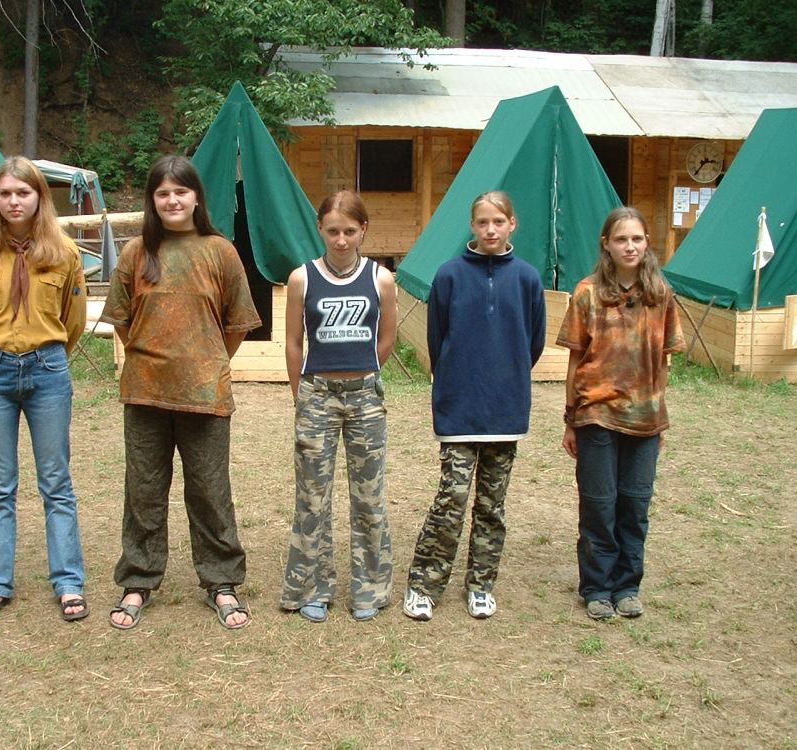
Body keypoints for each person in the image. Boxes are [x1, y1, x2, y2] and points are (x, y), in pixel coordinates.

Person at [100, 156, 261, 631]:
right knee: (144, 492)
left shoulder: (220, 251)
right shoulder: (136, 253)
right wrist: (152, 357)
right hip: (145, 393)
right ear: (152, 201)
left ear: (196, 197)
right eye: (163, 193)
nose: (172, 200)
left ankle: (222, 581)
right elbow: (124, 321)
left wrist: (207, 360)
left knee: (210, 492)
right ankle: (138, 580)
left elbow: (237, 323)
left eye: (181, 191)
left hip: (206, 394)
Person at [404, 191, 545, 622]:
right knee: (452, 497)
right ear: (472, 225)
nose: (490, 230)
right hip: (459, 410)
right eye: (482, 222)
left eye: (498, 222)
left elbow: (533, 343)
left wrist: (507, 376)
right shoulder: (448, 275)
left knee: (491, 504)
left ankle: (481, 585)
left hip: (505, 410)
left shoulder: (527, 278)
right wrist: (453, 381)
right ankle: (424, 585)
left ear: (512, 224)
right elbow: (437, 339)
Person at [0, 156, 89, 625]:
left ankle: (68, 581)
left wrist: (47, 353)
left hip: (47, 371)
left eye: (23, 192)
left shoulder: (64, 252)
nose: (14, 202)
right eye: (5, 193)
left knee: (56, 482)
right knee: (0, 485)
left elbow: (74, 319)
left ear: (40, 197)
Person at [557, 207, 685, 620]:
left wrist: (659, 417)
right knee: (599, 505)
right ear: (606, 244)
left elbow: (663, 361)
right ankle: (596, 587)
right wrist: (570, 418)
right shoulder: (587, 293)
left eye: (637, 239)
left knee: (635, 505)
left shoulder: (660, 295)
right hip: (596, 414)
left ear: (647, 243)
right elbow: (575, 360)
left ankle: (627, 586)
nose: (630, 246)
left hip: (645, 418)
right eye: (621, 239)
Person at [280, 190, 397, 623]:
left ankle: (369, 588)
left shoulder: (381, 279)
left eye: (349, 231)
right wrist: (302, 394)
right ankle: (312, 587)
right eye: (333, 231)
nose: (341, 240)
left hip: (365, 398)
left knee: (369, 497)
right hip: (317, 397)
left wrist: (363, 373)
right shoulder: (302, 278)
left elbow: (386, 339)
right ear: (320, 230)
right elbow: (293, 342)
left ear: (363, 229)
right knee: (312, 497)